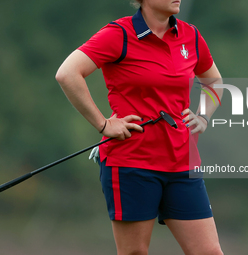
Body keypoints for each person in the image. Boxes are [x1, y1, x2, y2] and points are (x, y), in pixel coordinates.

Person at [56, 0, 223, 254]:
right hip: (131, 163)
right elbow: (67, 73)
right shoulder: (118, 34)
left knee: (208, 252)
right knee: (135, 253)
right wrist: (103, 124)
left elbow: (214, 82)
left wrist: (203, 116)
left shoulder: (191, 35)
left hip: (181, 162)